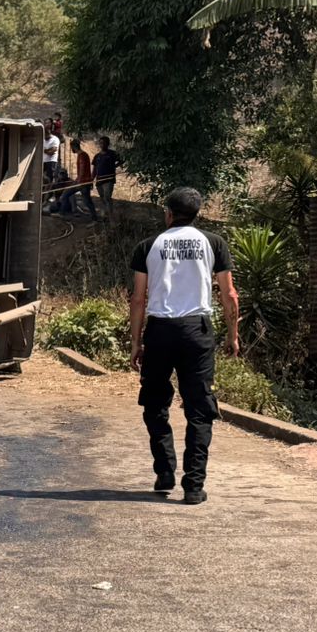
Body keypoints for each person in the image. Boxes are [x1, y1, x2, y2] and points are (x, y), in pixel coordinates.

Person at [128, 187, 240, 505]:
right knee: (200, 410)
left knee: (154, 403)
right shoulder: (214, 243)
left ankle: (164, 471)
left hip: (160, 331)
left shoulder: (148, 246)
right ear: (197, 214)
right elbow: (229, 295)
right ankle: (193, 485)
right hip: (197, 331)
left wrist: (136, 342)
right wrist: (232, 334)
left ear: (168, 214)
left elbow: (138, 298)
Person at [58, 139, 98, 222]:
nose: (71, 149)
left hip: (82, 182)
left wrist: (77, 181)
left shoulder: (82, 156)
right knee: (87, 201)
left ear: (74, 146)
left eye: (71, 147)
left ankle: (62, 214)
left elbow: (82, 170)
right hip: (84, 182)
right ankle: (94, 217)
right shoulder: (83, 155)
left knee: (66, 194)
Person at [94, 136, 121, 220]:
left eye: (104, 143)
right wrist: (91, 179)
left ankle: (111, 217)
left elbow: (122, 159)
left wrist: (114, 166)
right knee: (102, 197)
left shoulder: (112, 154)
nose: (102, 145)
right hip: (99, 180)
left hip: (109, 180)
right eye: (101, 143)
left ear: (108, 144)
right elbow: (94, 169)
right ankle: (105, 214)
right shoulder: (97, 156)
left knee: (107, 197)